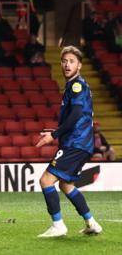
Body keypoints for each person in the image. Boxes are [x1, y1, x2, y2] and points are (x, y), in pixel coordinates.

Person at [36, 46, 102, 237]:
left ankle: (58, 225)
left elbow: (76, 115)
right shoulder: (73, 86)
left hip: (76, 143)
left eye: (71, 61)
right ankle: (91, 223)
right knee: (66, 185)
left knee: (46, 180)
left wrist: (54, 135)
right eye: (64, 61)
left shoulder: (77, 85)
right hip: (80, 144)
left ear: (79, 65)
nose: (67, 64)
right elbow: (75, 117)